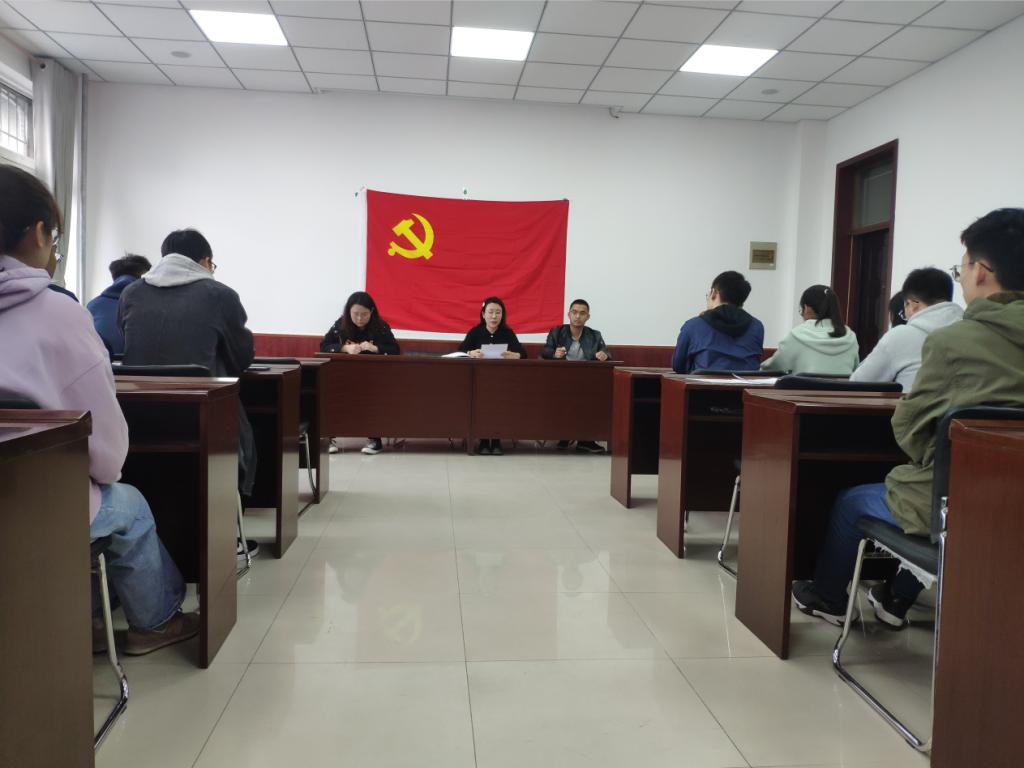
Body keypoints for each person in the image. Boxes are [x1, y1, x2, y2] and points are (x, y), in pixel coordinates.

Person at [793, 208, 1024, 628]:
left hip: (967, 504)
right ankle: (895, 597)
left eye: (962, 267)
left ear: (981, 272)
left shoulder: (953, 341)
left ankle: (829, 599)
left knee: (853, 501)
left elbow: (911, 432)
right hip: (1013, 509)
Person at [0, 165, 198, 655]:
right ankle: (155, 622)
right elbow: (108, 457)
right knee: (127, 505)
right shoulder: (58, 313)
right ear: (39, 232)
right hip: (31, 503)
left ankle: (75, 616)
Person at [118, 228, 259, 562]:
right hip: (199, 414)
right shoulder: (220, 295)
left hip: (136, 417)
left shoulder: (132, 292)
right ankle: (228, 536)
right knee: (244, 438)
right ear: (205, 261)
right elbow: (241, 358)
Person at [851, 268, 962, 392]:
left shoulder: (900, 336)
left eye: (905, 306)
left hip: (916, 405)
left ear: (913, 304)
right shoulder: (972, 332)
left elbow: (857, 384)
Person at [319, 291, 399, 455]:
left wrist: (375, 348)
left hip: (373, 377)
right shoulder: (340, 325)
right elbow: (324, 346)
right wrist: (344, 348)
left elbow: (395, 350)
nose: (360, 318)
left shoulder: (381, 326)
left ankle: (375, 438)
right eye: (355, 314)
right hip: (343, 375)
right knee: (331, 394)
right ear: (348, 311)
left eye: (364, 314)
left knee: (374, 397)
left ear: (372, 312)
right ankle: (329, 437)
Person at [458, 296, 526, 455]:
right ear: (483, 314)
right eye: (490, 312)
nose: (494, 316)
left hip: (502, 381)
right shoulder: (475, 332)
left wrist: (515, 355)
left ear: (503, 315)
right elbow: (460, 351)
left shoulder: (507, 333)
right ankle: (483, 440)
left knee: (499, 402)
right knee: (481, 402)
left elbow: (523, 353)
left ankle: (496, 440)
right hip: (478, 381)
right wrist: (470, 353)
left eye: (498, 312)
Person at [541, 299, 610, 454]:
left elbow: (606, 352)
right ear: (569, 314)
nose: (578, 316)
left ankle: (585, 440)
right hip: (560, 380)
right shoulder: (556, 332)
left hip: (587, 381)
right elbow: (545, 351)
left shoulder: (595, 335)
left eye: (582, 313)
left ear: (588, 317)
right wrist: (554, 353)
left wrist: (604, 354)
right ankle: (565, 435)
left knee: (591, 398)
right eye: (574, 312)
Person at [672, 271, 764, 373]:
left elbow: (678, 366)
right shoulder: (756, 327)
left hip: (702, 383)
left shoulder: (693, 326)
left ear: (713, 293)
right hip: (745, 384)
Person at [762, 284, 859, 375]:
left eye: (801, 309)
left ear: (807, 308)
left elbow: (771, 369)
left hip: (805, 388)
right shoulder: (850, 336)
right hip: (842, 388)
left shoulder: (798, 335)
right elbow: (856, 371)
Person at [87, 253, 151, 357]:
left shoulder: (92, 306)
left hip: (101, 364)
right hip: (141, 366)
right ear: (144, 277)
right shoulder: (152, 304)